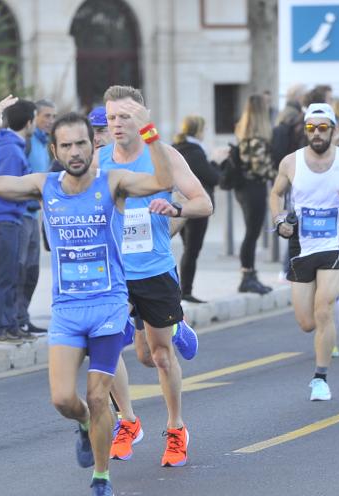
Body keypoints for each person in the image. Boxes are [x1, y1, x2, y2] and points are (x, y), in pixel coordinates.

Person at [0, 96, 173, 496]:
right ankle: (84, 424)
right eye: (66, 146)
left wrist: (149, 131)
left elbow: (160, 182)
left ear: (91, 145)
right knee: (64, 400)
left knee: (100, 396)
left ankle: (101, 478)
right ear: (55, 151)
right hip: (67, 310)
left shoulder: (112, 182)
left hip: (108, 305)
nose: (76, 152)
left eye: (82, 143)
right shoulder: (43, 185)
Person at [100, 85, 211, 468]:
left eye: (125, 116)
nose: (116, 124)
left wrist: (175, 208)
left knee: (156, 357)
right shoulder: (99, 161)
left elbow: (204, 202)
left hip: (154, 269)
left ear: (143, 117)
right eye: (111, 117)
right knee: (107, 346)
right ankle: (127, 421)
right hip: (113, 272)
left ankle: (177, 428)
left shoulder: (163, 157)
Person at [270, 103, 339, 401]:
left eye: (322, 128)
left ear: (333, 130)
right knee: (307, 322)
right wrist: (280, 220)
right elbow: (276, 194)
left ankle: (320, 378)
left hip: (335, 239)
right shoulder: (291, 162)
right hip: (301, 242)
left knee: (323, 309)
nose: (316, 134)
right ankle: (331, 308)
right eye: (311, 128)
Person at [0, 98, 36, 344]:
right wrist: (32, 195)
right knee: (2, 275)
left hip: (6, 218)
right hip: (2, 219)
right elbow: (9, 188)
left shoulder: (9, 145)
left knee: (11, 274)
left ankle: (10, 324)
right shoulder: (11, 149)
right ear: (30, 122)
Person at [172, 115, 223, 303]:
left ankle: (182, 291)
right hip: (195, 207)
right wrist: (217, 161)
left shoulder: (176, 148)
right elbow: (213, 177)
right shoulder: (195, 151)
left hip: (178, 204)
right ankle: (185, 291)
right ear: (198, 130)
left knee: (187, 249)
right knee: (192, 250)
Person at [233, 93, 277, 295]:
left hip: (244, 188)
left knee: (251, 232)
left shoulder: (243, 132)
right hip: (254, 188)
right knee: (252, 233)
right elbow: (260, 169)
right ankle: (247, 275)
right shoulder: (257, 139)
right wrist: (280, 173)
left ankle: (249, 274)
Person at [18, 100, 54, 336]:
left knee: (32, 270)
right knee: (19, 269)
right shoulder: (28, 141)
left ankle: (23, 317)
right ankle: (14, 320)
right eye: (46, 116)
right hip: (21, 213)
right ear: (34, 118)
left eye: (53, 116)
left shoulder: (45, 143)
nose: (50, 120)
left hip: (37, 214)